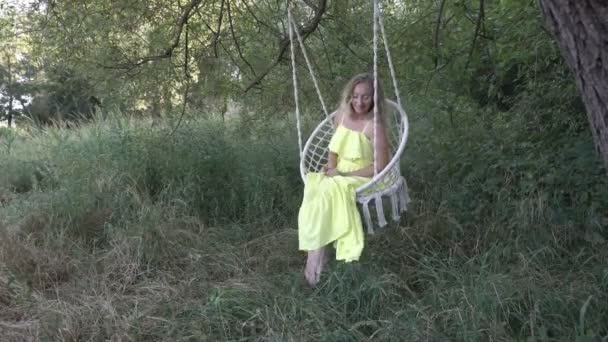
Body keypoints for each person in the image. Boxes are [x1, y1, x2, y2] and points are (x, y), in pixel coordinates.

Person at [298, 73, 389, 286]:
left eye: (366, 97)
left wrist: (343, 174)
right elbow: (334, 149)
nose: (359, 102)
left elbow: (379, 167)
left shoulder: (375, 127)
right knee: (315, 186)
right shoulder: (341, 117)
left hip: (363, 176)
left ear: (374, 98)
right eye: (355, 96)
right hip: (339, 172)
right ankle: (321, 252)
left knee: (329, 190)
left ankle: (314, 262)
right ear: (349, 96)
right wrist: (331, 167)